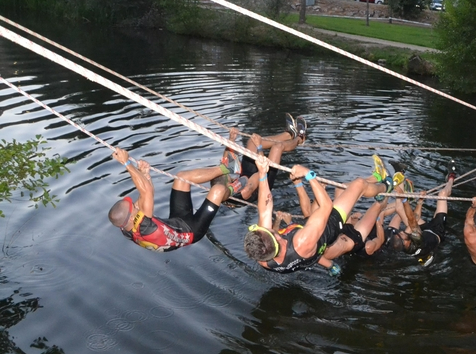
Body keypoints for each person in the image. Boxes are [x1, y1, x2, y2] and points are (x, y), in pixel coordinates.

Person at [243, 155, 394, 274]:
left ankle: (375, 179)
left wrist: (263, 175)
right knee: (358, 185)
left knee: (343, 191)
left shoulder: (263, 258)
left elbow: (265, 208)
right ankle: (385, 186)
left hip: (310, 246)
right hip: (330, 227)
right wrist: (309, 175)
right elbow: (326, 206)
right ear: (275, 237)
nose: (265, 227)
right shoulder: (302, 242)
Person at [107, 147, 246, 251]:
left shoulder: (127, 225)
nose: (134, 205)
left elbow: (146, 195)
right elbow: (147, 192)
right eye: (133, 207)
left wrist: (145, 174)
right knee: (218, 191)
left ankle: (228, 168)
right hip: (192, 231)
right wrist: (126, 164)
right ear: (131, 217)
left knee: (182, 178)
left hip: (176, 221)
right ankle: (235, 188)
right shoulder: (144, 226)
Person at [216, 114, 307, 204]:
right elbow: (263, 170)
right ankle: (300, 138)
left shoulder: (226, 187)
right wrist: (259, 146)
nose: (225, 173)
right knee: (277, 147)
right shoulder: (246, 189)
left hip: (246, 175)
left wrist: (231, 140)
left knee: (252, 141)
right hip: (263, 180)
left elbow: (225, 161)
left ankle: (289, 134)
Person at [393, 166, 457, 266]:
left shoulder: (405, 246)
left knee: (399, 209)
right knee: (443, 194)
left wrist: (420, 202)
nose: (401, 232)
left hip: (424, 231)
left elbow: (415, 219)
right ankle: (451, 177)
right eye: (401, 235)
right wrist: (404, 199)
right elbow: (412, 219)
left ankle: (399, 172)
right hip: (437, 230)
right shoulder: (417, 241)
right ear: (406, 243)